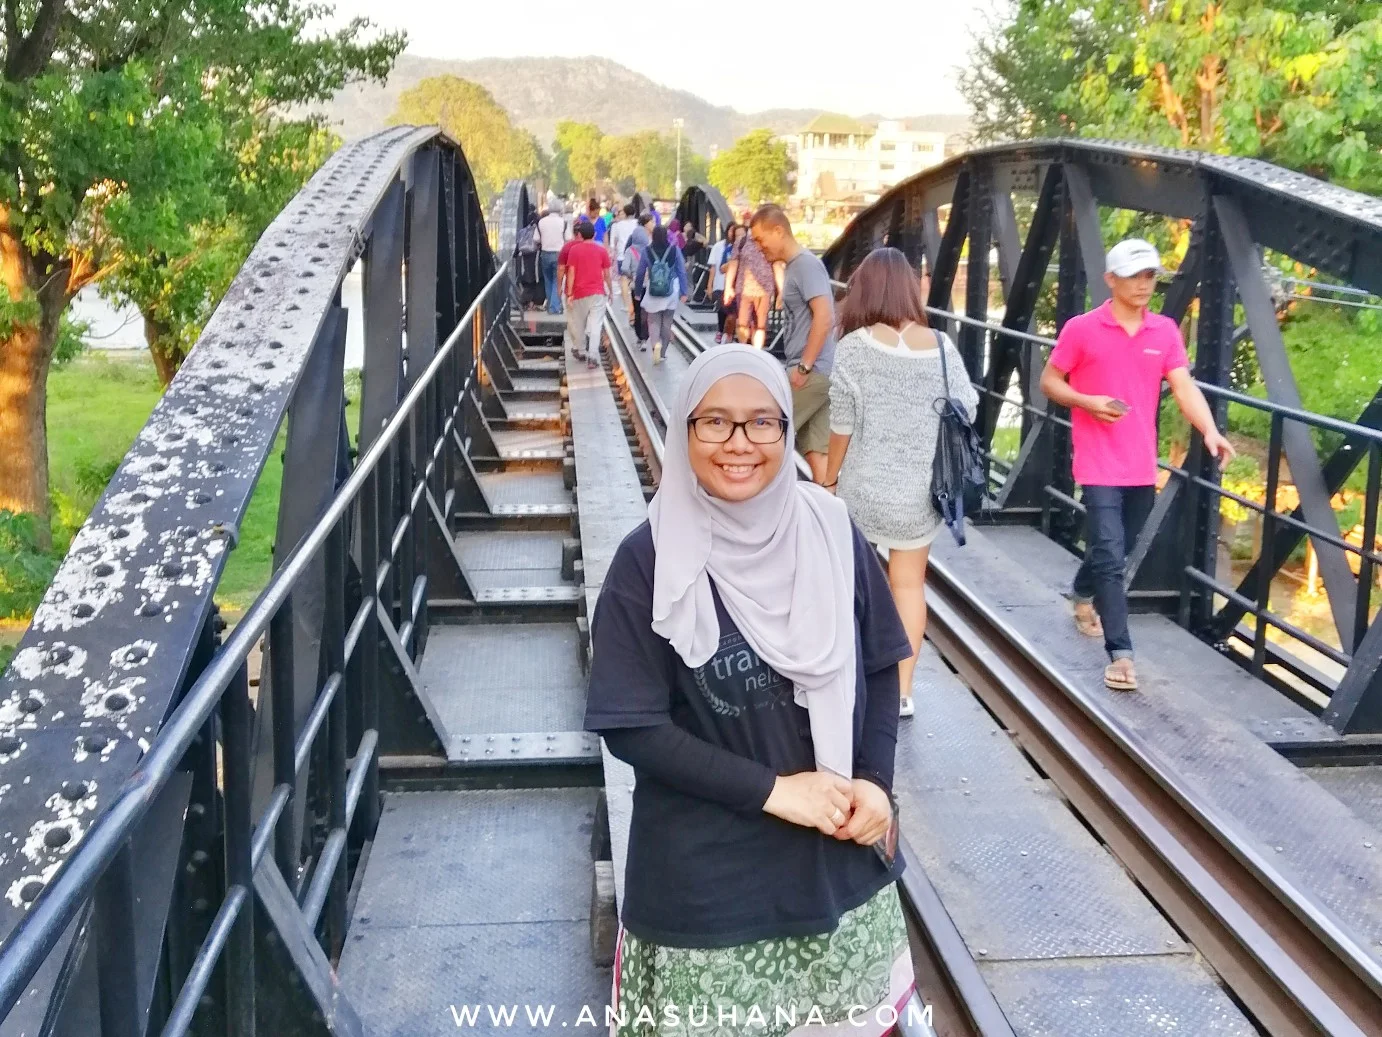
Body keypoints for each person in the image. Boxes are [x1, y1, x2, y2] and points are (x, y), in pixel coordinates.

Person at [586, 346, 916, 1037]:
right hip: (707, 903)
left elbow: (883, 663)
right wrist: (776, 790)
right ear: (686, 430)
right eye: (715, 422)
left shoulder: (831, 532)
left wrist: (877, 782)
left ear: (786, 430)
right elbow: (633, 726)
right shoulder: (647, 560)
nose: (740, 444)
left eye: (762, 422)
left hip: (836, 876)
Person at [1040, 238, 1235, 692]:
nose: (1145, 284)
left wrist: (1209, 430)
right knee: (1111, 554)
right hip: (1096, 461)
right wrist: (1086, 401)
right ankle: (1121, 655)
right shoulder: (1082, 329)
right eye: (1134, 276)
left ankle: (1083, 592)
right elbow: (1049, 381)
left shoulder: (1165, 331)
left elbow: (1184, 388)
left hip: (1141, 464)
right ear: (1111, 280)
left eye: (1150, 275)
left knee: (1116, 548)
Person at [824, 248, 978, 717]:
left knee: (850, 588)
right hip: (920, 495)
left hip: (862, 493)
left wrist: (828, 481)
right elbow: (967, 408)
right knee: (908, 586)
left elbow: (842, 424)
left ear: (863, 291)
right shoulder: (944, 348)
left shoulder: (854, 348)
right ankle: (903, 693)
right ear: (911, 289)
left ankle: (848, 682)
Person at [751, 204, 837, 484]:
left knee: (767, 433)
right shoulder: (796, 267)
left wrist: (803, 367)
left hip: (811, 371)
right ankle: (829, 519)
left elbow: (824, 316)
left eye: (761, 239)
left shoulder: (806, 265)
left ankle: (751, 504)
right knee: (817, 452)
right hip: (820, 372)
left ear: (779, 231)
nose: (759, 247)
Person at [558, 220, 612, 368]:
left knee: (578, 322)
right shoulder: (601, 250)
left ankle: (581, 350)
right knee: (595, 325)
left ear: (580, 234)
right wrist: (611, 291)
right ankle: (593, 357)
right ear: (594, 234)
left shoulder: (574, 250)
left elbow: (571, 274)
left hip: (579, 293)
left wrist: (569, 293)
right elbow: (607, 274)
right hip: (598, 292)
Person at [633, 224, 689, 364]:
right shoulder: (675, 250)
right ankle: (663, 353)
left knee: (653, 320)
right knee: (667, 322)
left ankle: (654, 345)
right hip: (671, 290)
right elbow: (681, 271)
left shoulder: (647, 251)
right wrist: (684, 291)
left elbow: (640, 273)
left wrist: (638, 291)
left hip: (653, 290)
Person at [724, 212, 774, 350]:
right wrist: (728, 287)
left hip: (764, 289)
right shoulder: (742, 242)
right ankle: (744, 348)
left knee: (760, 325)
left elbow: (777, 264)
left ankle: (757, 352)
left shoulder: (769, 242)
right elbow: (733, 264)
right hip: (744, 289)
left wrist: (781, 290)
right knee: (742, 323)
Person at [622, 213, 654, 346]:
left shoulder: (630, 251)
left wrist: (631, 276)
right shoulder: (650, 250)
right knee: (647, 311)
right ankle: (646, 337)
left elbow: (624, 268)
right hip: (650, 285)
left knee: (637, 310)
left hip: (636, 286)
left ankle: (639, 337)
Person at [706, 223, 739, 343]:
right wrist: (709, 285)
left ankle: (728, 333)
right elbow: (714, 267)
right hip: (720, 283)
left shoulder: (741, 248)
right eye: (731, 231)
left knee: (732, 311)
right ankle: (721, 331)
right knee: (722, 308)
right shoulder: (719, 247)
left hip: (736, 285)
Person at [537, 203, 569, 315]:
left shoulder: (541, 222)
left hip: (545, 253)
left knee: (548, 280)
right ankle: (554, 307)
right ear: (559, 210)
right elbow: (568, 238)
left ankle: (551, 304)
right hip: (559, 253)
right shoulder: (563, 222)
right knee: (557, 279)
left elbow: (536, 239)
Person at [514, 209, 544, 310]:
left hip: (523, 258)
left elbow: (518, 246)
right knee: (536, 280)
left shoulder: (522, 231)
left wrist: (515, 255)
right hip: (535, 257)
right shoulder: (538, 230)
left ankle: (525, 302)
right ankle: (529, 302)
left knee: (527, 280)